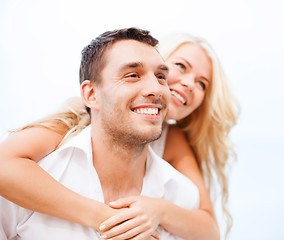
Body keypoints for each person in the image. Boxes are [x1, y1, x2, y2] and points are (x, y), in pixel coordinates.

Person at [0, 29, 239, 239]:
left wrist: (159, 211)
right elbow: (5, 164)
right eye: (181, 67)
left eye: (202, 84)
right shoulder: (82, 112)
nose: (189, 84)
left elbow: (208, 228)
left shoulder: (174, 145)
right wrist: (111, 219)